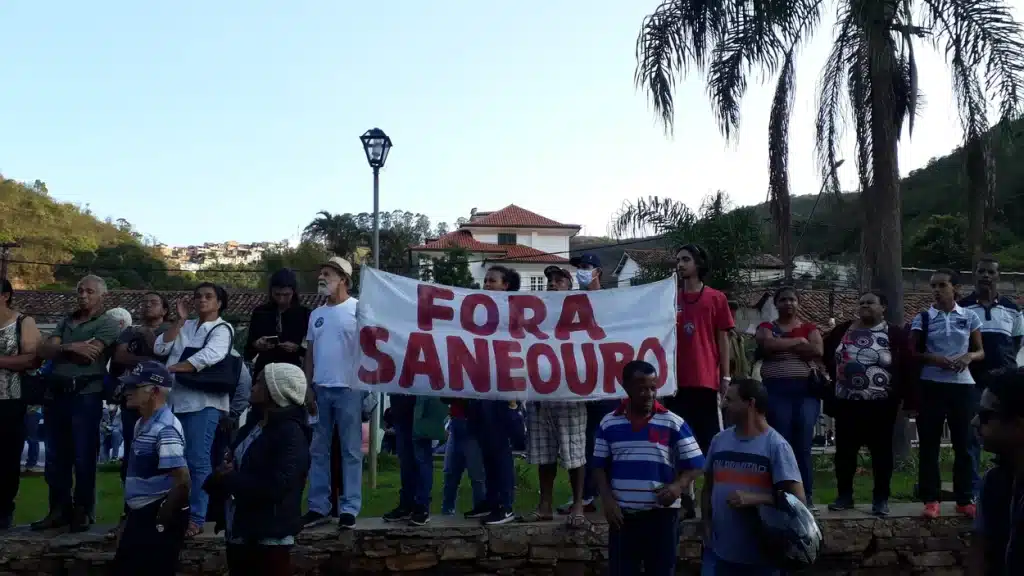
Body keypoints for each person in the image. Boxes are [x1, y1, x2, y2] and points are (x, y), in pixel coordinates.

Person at [593, 360, 705, 575]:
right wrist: (607, 501)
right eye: (642, 388)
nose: (649, 394)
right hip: (622, 517)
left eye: (653, 387)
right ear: (626, 387)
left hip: (661, 517)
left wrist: (677, 487)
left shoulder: (673, 422)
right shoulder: (609, 423)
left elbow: (697, 463)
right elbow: (598, 466)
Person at [32, 274, 120, 532]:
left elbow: (89, 354)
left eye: (89, 292)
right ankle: (58, 509)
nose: (83, 295)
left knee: (83, 456)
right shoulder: (65, 321)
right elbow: (43, 351)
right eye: (80, 291)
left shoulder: (108, 323)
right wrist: (73, 346)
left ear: (102, 296)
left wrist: (61, 347)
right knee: (55, 458)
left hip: (85, 395)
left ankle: (83, 511)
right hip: (56, 395)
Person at [204, 363, 311, 576]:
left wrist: (231, 478)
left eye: (261, 382)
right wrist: (219, 477)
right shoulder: (255, 425)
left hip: (268, 536)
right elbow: (233, 466)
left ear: (276, 390)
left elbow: (278, 485)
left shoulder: (290, 433)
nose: (253, 386)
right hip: (242, 529)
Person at [701, 378, 806, 575]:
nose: (724, 405)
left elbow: (798, 501)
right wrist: (706, 524)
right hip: (720, 556)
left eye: (730, 400)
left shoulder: (776, 446)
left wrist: (755, 498)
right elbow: (707, 487)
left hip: (761, 561)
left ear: (750, 403)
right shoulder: (719, 440)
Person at [154, 282, 235, 537]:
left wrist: (174, 368)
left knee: (198, 459)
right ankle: (177, 511)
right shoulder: (187, 326)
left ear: (219, 302)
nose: (202, 300)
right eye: (198, 296)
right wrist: (179, 321)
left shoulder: (222, 328)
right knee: (175, 460)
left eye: (208, 297)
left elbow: (210, 356)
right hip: (176, 400)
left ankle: (198, 517)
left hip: (204, 402)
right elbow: (160, 347)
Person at [823, 291, 913, 516]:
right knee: (845, 453)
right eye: (861, 302)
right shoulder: (842, 330)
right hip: (846, 403)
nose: (865, 306)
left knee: (881, 453)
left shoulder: (894, 333)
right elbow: (826, 355)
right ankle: (844, 497)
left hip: (881, 405)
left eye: (870, 303)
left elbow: (908, 366)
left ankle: (880, 499)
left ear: (883, 307)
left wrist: (903, 396)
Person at [665, 244, 734, 518]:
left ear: (698, 264)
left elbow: (723, 339)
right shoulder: (670, 298)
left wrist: (725, 375)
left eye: (685, 259)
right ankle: (686, 499)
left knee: (710, 442)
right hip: (675, 382)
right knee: (680, 442)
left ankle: (713, 499)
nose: (680, 264)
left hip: (706, 381)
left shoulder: (716, 298)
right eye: (678, 260)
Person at [910, 268, 984, 519]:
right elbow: (914, 352)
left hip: (962, 385)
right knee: (929, 444)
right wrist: (934, 358)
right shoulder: (923, 317)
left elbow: (979, 351)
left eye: (942, 285)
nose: (937, 290)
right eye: (934, 286)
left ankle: (965, 499)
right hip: (931, 384)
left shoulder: (969, 316)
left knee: (964, 444)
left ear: (955, 289)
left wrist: (968, 357)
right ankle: (931, 499)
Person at [521, 265, 588, 528]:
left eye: (559, 280)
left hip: (570, 392)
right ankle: (545, 505)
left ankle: (579, 504)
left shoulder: (581, 313)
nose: (552, 284)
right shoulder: (534, 318)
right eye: (550, 280)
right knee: (543, 452)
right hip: (540, 392)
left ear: (569, 286)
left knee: (575, 453)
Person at [111, 361, 191, 576]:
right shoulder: (143, 423)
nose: (127, 392)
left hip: (156, 514)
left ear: (154, 391)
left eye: (134, 387)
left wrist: (161, 518)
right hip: (142, 513)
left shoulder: (164, 428)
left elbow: (182, 480)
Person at [302, 257, 364, 530]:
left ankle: (349, 508)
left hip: (350, 389)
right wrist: (307, 387)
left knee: (351, 451)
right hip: (320, 390)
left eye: (328, 274)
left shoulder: (360, 310)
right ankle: (319, 507)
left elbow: (371, 350)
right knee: (318, 451)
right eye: (321, 273)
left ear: (344, 280)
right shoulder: (316, 315)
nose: (322, 278)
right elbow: (310, 354)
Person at [556, 253, 617, 517]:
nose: (581, 272)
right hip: (580, 384)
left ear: (598, 272)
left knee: (611, 441)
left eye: (585, 267)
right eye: (578, 268)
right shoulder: (571, 303)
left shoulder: (613, 302)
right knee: (587, 444)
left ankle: (614, 494)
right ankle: (589, 495)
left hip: (608, 383)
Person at [462, 265, 521, 525]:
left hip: (503, 388)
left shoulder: (514, 311)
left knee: (499, 448)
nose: (486, 284)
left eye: (492, 281)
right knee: (486, 448)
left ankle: (505, 504)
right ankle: (492, 500)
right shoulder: (478, 313)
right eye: (485, 280)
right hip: (480, 386)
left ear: (505, 285)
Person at [755, 287, 825, 509]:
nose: (788, 303)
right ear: (776, 304)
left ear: (798, 303)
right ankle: (781, 494)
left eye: (792, 299)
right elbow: (767, 345)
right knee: (780, 442)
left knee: (803, 442)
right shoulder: (767, 327)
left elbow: (817, 351)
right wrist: (799, 343)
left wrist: (784, 343)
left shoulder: (809, 327)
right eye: (783, 300)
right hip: (776, 391)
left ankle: (806, 496)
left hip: (805, 391)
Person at [959, 257, 1022, 498]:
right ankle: (975, 490)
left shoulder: (1011, 308)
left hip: (1005, 382)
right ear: (975, 275)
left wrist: (1004, 366)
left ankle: (1010, 481)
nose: (986, 276)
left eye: (990, 272)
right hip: (973, 379)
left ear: (998, 276)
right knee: (973, 434)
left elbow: (1016, 341)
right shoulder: (963, 307)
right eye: (981, 271)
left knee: (1009, 432)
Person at [109, 291, 171, 535]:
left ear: (165, 310)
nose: (147, 306)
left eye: (153, 302)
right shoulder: (130, 330)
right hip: (131, 401)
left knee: (161, 454)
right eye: (144, 302)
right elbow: (120, 355)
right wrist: (150, 358)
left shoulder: (170, 330)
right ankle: (131, 508)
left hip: (159, 400)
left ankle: (160, 508)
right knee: (132, 452)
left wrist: (143, 358)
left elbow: (167, 358)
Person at [968, 371, 1024, 576]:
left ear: (1019, 424)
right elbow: (979, 553)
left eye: (985, 415)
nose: (975, 422)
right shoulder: (995, 481)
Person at [0, 279, 42, 529]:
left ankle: (4, 511)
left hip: (9, 399)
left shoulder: (22, 322)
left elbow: (33, 360)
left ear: (5, 296)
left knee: (5, 458)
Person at [244, 268, 311, 378]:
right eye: (277, 294)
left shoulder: (304, 314)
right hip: (265, 371)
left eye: (286, 295)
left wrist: (297, 349)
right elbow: (248, 350)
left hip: (292, 372)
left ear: (293, 292)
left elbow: (312, 350)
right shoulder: (260, 312)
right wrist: (258, 344)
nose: (281, 299)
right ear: (271, 292)